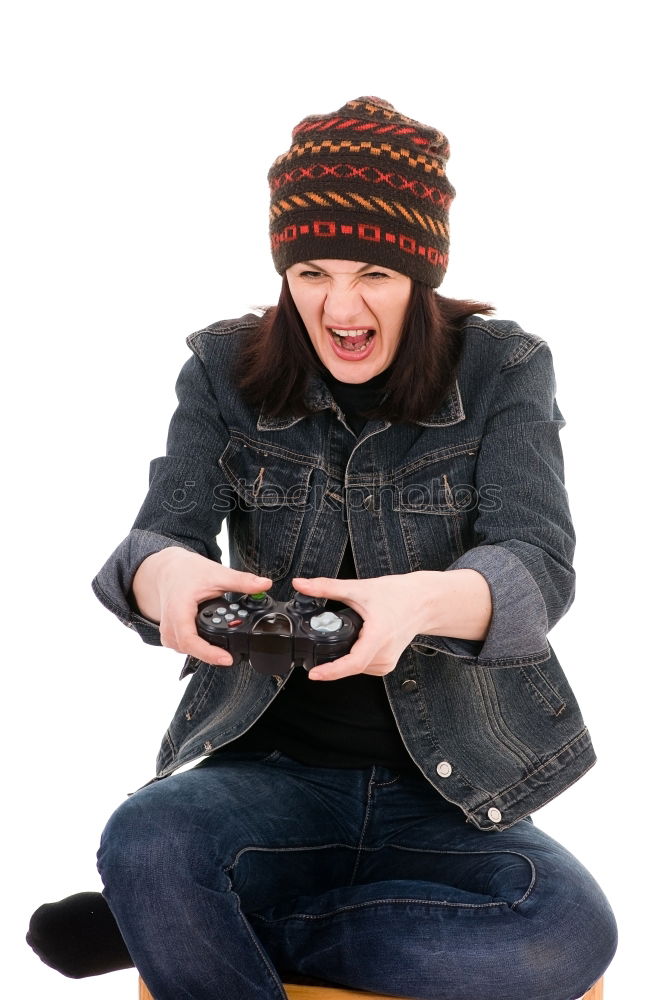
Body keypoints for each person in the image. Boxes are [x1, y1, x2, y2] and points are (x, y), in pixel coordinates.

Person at [28, 97, 617, 1000]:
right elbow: (154, 541)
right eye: (311, 271)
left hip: (451, 790)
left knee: (561, 936)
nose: (340, 306)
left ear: (421, 273)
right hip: (271, 780)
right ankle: (177, 897)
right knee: (146, 838)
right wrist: (164, 576)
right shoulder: (224, 368)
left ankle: (201, 918)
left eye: (375, 272)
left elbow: (541, 566)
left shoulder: (504, 368)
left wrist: (416, 601)